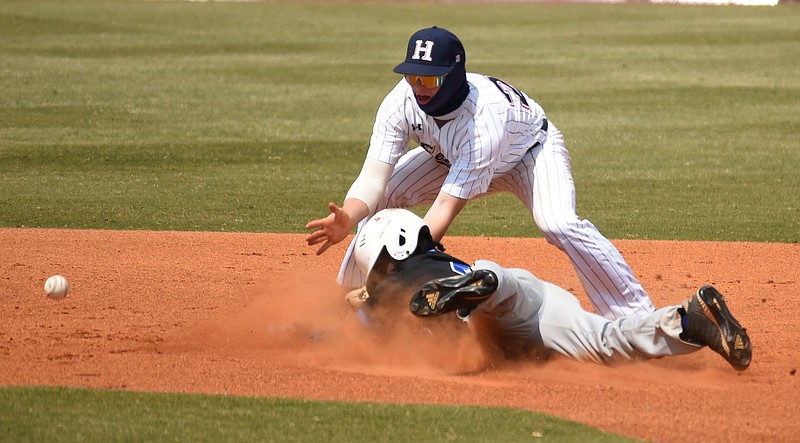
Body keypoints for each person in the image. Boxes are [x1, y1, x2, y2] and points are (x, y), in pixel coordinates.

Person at [305, 26, 655, 320]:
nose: (418, 85)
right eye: (412, 74)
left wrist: (408, 264)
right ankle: (349, 306)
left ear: (453, 76)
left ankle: (636, 317)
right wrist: (348, 217)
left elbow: (443, 209)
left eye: (428, 77)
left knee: (558, 223)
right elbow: (374, 177)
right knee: (382, 197)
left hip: (529, 155)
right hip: (448, 157)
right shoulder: (400, 102)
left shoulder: (483, 124)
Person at [352, 208, 752, 371]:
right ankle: (689, 320)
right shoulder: (436, 260)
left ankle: (483, 287)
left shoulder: (400, 278)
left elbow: (357, 320)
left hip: (493, 312)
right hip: (532, 301)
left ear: (390, 252)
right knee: (606, 341)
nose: (378, 279)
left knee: (479, 297)